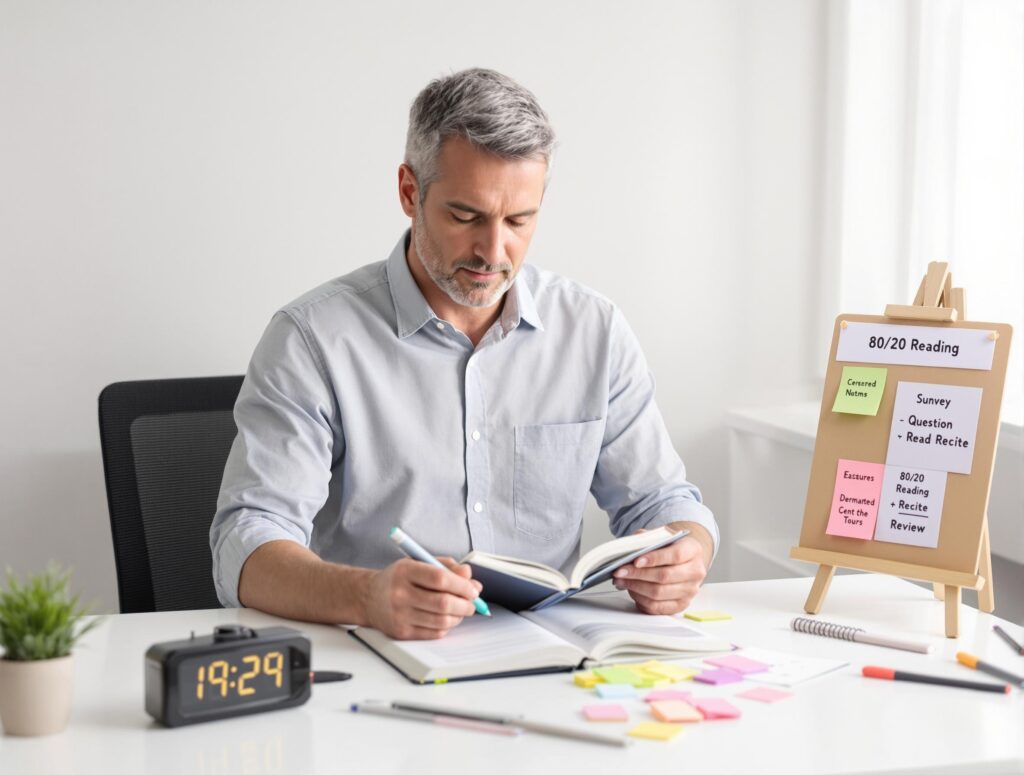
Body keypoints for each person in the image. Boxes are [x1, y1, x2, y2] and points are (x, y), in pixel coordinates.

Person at [210, 68, 719, 640]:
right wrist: (368, 595)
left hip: (547, 660)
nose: (493, 251)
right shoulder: (312, 339)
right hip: (377, 654)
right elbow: (246, 543)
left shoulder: (593, 330)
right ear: (409, 192)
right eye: (465, 216)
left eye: (519, 220)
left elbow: (664, 502)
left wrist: (686, 553)